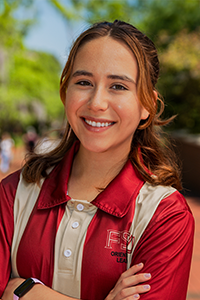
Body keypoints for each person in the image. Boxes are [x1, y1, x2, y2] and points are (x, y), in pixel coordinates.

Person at [0, 20, 194, 300]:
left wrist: (24, 293)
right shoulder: (14, 194)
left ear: (148, 105)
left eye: (118, 86)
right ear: (65, 92)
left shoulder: (165, 216)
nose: (97, 102)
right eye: (84, 82)